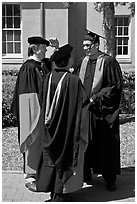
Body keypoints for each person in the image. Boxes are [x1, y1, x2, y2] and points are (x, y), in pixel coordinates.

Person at [36, 44, 89, 201]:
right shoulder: (73, 81)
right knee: (63, 157)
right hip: (65, 127)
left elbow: (41, 99)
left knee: (50, 156)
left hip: (47, 127)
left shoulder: (47, 78)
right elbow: (83, 104)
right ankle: (59, 194)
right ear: (67, 61)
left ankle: (52, 190)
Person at [74, 30, 123, 191]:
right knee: (86, 143)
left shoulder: (109, 62)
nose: (85, 48)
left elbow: (114, 87)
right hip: (86, 111)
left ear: (96, 45)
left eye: (88, 45)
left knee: (106, 143)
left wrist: (97, 97)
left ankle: (110, 179)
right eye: (84, 46)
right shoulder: (83, 61)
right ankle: (86, 174)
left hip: (102, 113)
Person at [11, 36, 59, 191]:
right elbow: (26, 96)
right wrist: (36, 114)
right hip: (34, 113)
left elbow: (59, 66)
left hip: (44, 111)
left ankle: (40, 173)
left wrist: (57, 48)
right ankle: (30, 177)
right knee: (32, 141)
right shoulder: (28, 67)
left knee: (42, 143)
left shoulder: (43, 64)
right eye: (43, 47)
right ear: (35, 48)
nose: (46, 49)